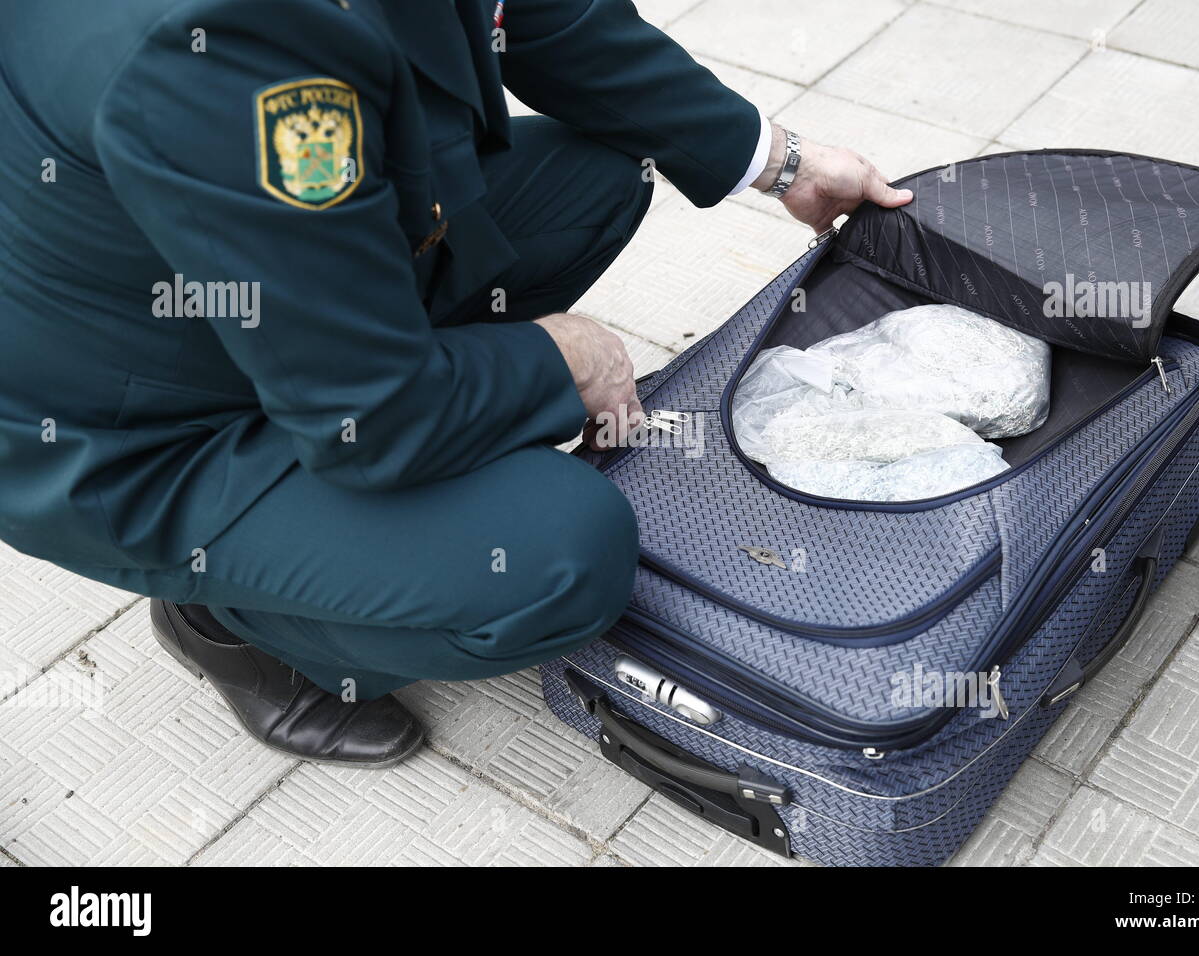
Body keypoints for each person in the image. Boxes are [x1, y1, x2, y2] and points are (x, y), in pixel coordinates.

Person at [0, 0, 912, 766]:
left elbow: (554, 17)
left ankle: (403, 463)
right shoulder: (220, 53)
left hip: (253, 297)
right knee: (561, 552)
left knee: (597, 179)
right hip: (145, 435)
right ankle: (233, 620)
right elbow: (374, 412)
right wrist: (564, 358)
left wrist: (782, 160)